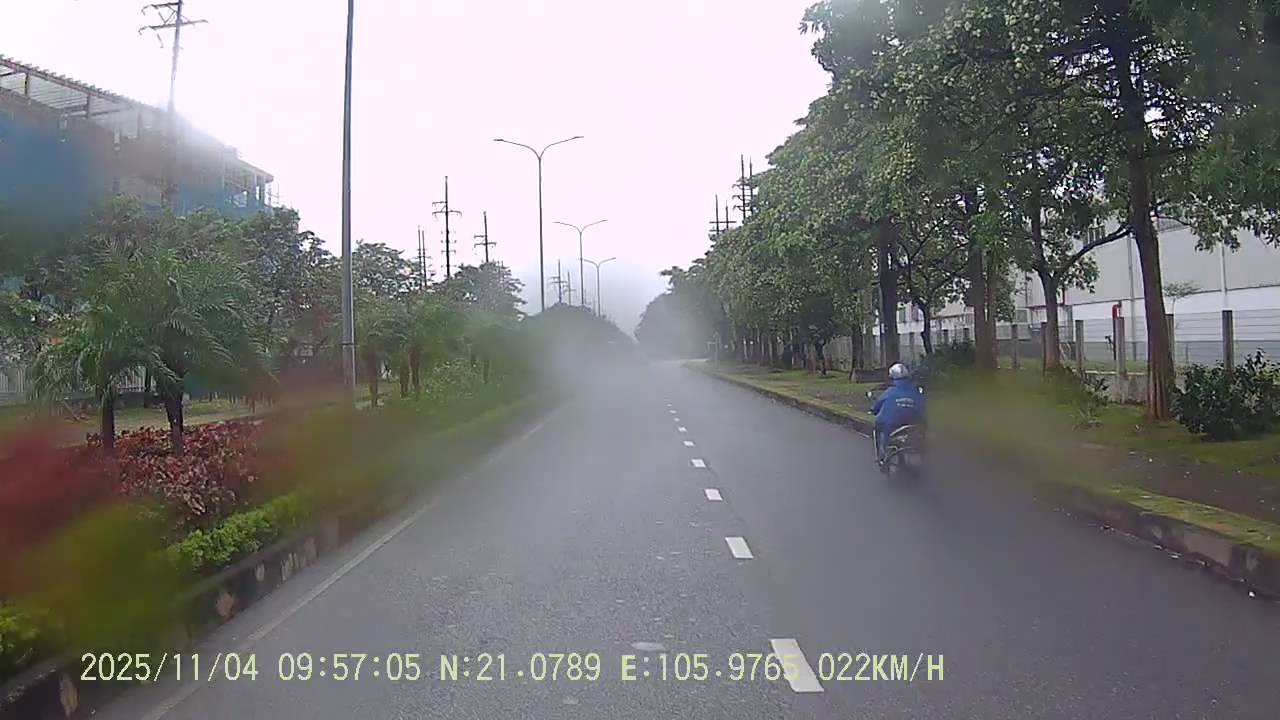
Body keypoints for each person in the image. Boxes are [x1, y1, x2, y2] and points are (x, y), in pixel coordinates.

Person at [871, 362, 926, 466]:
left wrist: (873, 409)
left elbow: (876, 406)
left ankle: (881, 456)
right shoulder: (916, 391)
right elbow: (922, 405)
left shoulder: (889, 392)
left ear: (892, 377)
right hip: (915, 423)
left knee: (878, 428)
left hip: (892, 425)